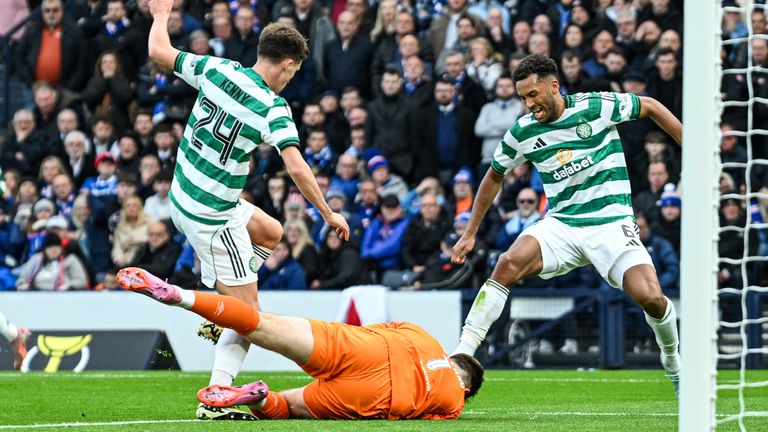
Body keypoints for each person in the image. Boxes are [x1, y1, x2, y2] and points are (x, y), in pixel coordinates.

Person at [145, 0, 349, 420]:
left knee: (270, 231)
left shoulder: (218, 69)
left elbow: (159, 53)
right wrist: (329, 213)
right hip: (212, 216)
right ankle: (216, 397)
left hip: (183, 195)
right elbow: (296, 165)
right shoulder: (274, 107)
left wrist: (160, 14)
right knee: (249, 320)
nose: (292, 78)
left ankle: (226, 294)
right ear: (288, 64)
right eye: (294, 71)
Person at [450, 54, 684, 398]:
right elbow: (493, 176)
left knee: (651, 298)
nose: (529, 104)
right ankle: (462, 354)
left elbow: (648, 105)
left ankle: (674, 364)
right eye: (522, 98)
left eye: (533, 95)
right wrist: (470, 232)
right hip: (562, 224)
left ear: (553, 86)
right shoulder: (523, 132)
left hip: (610, 224)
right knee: (506, 263)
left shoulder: (596, 107)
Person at [116, 266, 483, 419]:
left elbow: (388, 327)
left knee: (259, 322)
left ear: (454, 357)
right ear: (464, 383)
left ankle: (178, 294)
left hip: (360, 346)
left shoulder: (428, 339)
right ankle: (258, 396)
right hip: (374, 393)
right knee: (286, 406)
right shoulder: (454, 401)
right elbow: (434, 415)